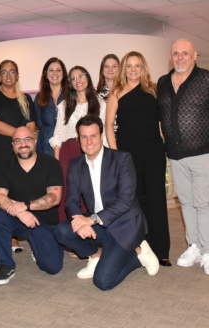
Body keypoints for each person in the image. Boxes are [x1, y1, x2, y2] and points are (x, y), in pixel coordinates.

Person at [54, 116, 159, 291]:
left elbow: (125, 201)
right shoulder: (75, 164)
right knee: (62, 231)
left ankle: (138, 253)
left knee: (103, 282)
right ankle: (96, 256)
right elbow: (71, 200)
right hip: (98, 224)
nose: (89, 141)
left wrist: (91, 220)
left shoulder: (122, 159)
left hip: (124, 225)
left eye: (93, 136)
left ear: (102, 136)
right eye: (84, 137)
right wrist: (79, 221)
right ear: (79, 139)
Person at [157, 39, 209, 276]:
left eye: (185, 53)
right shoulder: (163, 82)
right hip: (176, 155)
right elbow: (162, 117)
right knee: (186, 202)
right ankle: (194, 247)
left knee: (203, 203)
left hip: (205, 152)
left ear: (194, 55)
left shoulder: (208, 79)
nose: (180, 57)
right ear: (171, 56)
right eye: (176, 53)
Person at [106, 51, 171, 267]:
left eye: (137, 66)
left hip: (153, 151)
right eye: (129, 66)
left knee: (156, 199)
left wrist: (165, 144)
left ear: (143, 68)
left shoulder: (153, 89)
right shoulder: (116, 92)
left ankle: (162, 250)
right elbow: (108, 126)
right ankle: (143, 249)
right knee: (136, 201)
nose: (133, 70)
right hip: (128, 153)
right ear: (124, 69)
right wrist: (116, 155)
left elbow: (162, 121)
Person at [0, 126, 64, 285]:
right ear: (12, 144)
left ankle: (37, 248)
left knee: (53, 267)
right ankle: (5, 264)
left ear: (35, 141)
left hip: (44, 222)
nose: (23, 144)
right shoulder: (4, 166)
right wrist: (20, 212)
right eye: (18, 141)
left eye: (27, 139)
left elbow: (54, 197)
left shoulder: (51, 163)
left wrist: (25, 206)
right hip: (17, 219)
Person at [0, 60, 36, 252]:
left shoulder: (25, 98)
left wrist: (22, 141)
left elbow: (32, 126)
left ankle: (26, 233)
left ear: (17, 75)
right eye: (4, 72)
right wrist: (21, 136)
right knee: (1, 195)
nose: (8, 75)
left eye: (12, 72)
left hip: (23, 154)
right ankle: (7, 237)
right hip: (0, 154)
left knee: (23, 192)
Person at [49, 66, 107, 222]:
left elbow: (103, 133)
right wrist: (56, 163)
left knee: (90, 190)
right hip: (68, 152)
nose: (78, 81)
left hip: (91, 151)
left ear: (88, 78)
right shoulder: (64, 105)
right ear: (70, 83)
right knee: (67, 192)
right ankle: (67, 229)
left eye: (81, 76)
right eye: (73, 78)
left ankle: (90, 228)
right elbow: (58, 135)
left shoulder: (100, 104)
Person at [33, 57, 69, 156]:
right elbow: (38, 122)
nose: (55, 73)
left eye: (58, 70)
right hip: (46, 145)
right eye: (51, 70)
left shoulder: (71, 95)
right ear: (46, 73)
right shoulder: (39, 97)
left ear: (63, 74)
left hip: (67, 143)